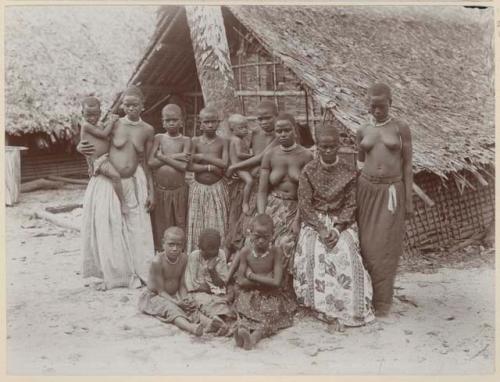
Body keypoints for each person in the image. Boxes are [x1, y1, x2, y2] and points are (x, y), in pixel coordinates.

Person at [294, 122, 375, 328]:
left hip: (342, 222)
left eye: (332, 146)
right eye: (323, 146)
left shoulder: (349, 172)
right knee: (314, 252)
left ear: (338, 146)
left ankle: (351, 308)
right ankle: (318, 305)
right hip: (316, 222)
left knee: (346, 252)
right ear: (317, 147)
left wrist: (337, 229)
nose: (327, 150)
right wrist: (321, 229)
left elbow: (351, 204)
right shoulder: (308, 171)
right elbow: (305, 205)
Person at [79, 85, 155, 290]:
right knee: (112, 226)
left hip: (135, 181)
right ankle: (117, 274)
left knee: (137, 226)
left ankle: (141, 271)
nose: (130, 108)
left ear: (143, 106)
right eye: (126, 104)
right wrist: (81, 148)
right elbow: (94, 139)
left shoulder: (147, 130)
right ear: (122, 105)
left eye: (135, 104)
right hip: (111, 183)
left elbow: (147, 163)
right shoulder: (113, 124)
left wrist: (152, 191)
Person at [356, 83, 413, 317]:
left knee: (386, 246)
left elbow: (408, 165)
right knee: (366, 244)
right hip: (367, 189)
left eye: (381, 105)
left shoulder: (401, 129)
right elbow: (359, 164)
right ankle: (366, 296)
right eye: (372, 106)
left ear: (391, 102)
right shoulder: (362, 130)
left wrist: (408, 199)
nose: (377, 110)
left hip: (392, 190)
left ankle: (383, 302)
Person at [256, 112, 313, 278]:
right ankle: (261, 279)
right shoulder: (270, 155)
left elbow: (307, 194)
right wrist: (261, 215)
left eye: (286, 130)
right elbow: (262, 191)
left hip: (296, 207)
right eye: (278, 131)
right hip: (273, 206)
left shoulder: (306, 155)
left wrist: (298, 220)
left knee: (287, 244)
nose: (282, 134)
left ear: (294, 130)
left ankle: (282, 283)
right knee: (259, 241)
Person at [233, 214, 296, 350]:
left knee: (270, 316)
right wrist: (264, 280)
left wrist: (252, 276)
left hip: (270, 296)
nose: (261, 240)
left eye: (265, 237)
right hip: (251, 294)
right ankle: (241, 332)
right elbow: (240, 280)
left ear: (272, 235)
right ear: (250, 234)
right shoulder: (245, 252)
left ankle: (254, 338)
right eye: (257, 236)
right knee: (243, 309)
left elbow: (276, 282)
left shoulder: (276, 252)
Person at [225, 101, 280, 255]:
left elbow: (261, 157)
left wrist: (234, 167)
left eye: (268, 118)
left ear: (276, 116)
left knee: (259, 226)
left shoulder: (279, 135)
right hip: (252, 183)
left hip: (268, 185)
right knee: (240, 223)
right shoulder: (255, 133)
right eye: (260, 119)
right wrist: (238, 167)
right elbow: (242, 151)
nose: (263, 122)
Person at [138, 227, 204, 336]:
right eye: (171, 244)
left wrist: (185, 299)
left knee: (191, 305)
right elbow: (160, 291)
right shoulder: (157, 261)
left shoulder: (184, 259)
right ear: (163, 243)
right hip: (155, 296)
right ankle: (191, 327)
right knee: (172, 308)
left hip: (173, 295)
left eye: (178, 245)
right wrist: (177, 303)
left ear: (183, 245)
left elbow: (182, 285)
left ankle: (211, 323)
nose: (175, 248)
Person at [186, 106, 229, 255]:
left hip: (217, 188)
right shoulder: (195, 141)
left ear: (218, 122)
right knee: (197, 223)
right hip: (199, 189)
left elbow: (224, 164)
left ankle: (218, 256)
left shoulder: (223, 142)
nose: (210, 125)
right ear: (201, 123)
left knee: (218, 222)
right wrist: (210, 168)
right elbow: (190, 165)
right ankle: (196, 256)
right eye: (206, 122)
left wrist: (204, 159)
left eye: (213, 121)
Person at [148, 104, 191, 251]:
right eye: (167, 120)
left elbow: (183, 166)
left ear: (181, 121)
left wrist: (162, 156)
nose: (171, 123)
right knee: (162, 222)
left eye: (174, 119)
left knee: (180, 220)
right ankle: (162, 251)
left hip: (179, 190)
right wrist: (175, 156)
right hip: (161, 190)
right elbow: (151, 162)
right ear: (162, 122)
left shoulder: (186, 140)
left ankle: (181, 251)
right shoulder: (158, 138)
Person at [183, 228, 235, 336]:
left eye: (214, 251)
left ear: (218, 247)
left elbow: (222, 282)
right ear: (200, 248)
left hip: (217, 290)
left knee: (223, 303)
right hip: (199, 291)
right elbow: (191, 283)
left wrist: (212, 271)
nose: (211, 255)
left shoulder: (220, 254)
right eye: (207, 252)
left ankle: (220, 321)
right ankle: (216, 322)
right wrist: (205, 288)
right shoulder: (194, 256)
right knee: (202, 301)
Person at [228, 114, 254, 215]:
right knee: (250, 181)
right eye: (241, 128)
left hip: (241, 165)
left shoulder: (238, 139)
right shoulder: (237, 140)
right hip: (239, 167)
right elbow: (239, 154)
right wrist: (252, 156)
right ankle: (245, 203)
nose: (245, 130)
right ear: (232, 129)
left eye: (246, 127)